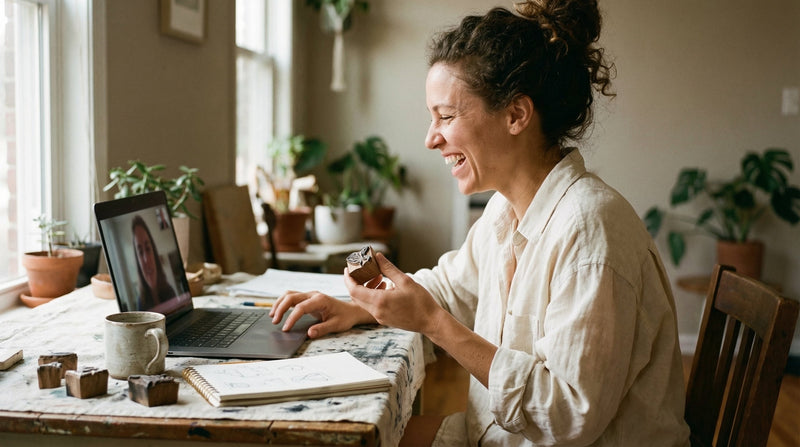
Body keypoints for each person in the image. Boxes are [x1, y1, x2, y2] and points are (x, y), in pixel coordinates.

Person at [271, 1, 690, 445]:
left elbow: (567, 414)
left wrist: (432, 322)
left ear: (516, 115)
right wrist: (359, 307)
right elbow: (453, 287)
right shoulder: (507, 210)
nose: (431, 138)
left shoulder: (591, 233)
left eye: (446, 117)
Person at [131, 214, 176, 311]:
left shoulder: (170, 292)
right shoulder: (140, 304)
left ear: (154, 253)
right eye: (140, 252)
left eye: (148, 249)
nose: (146, 259)